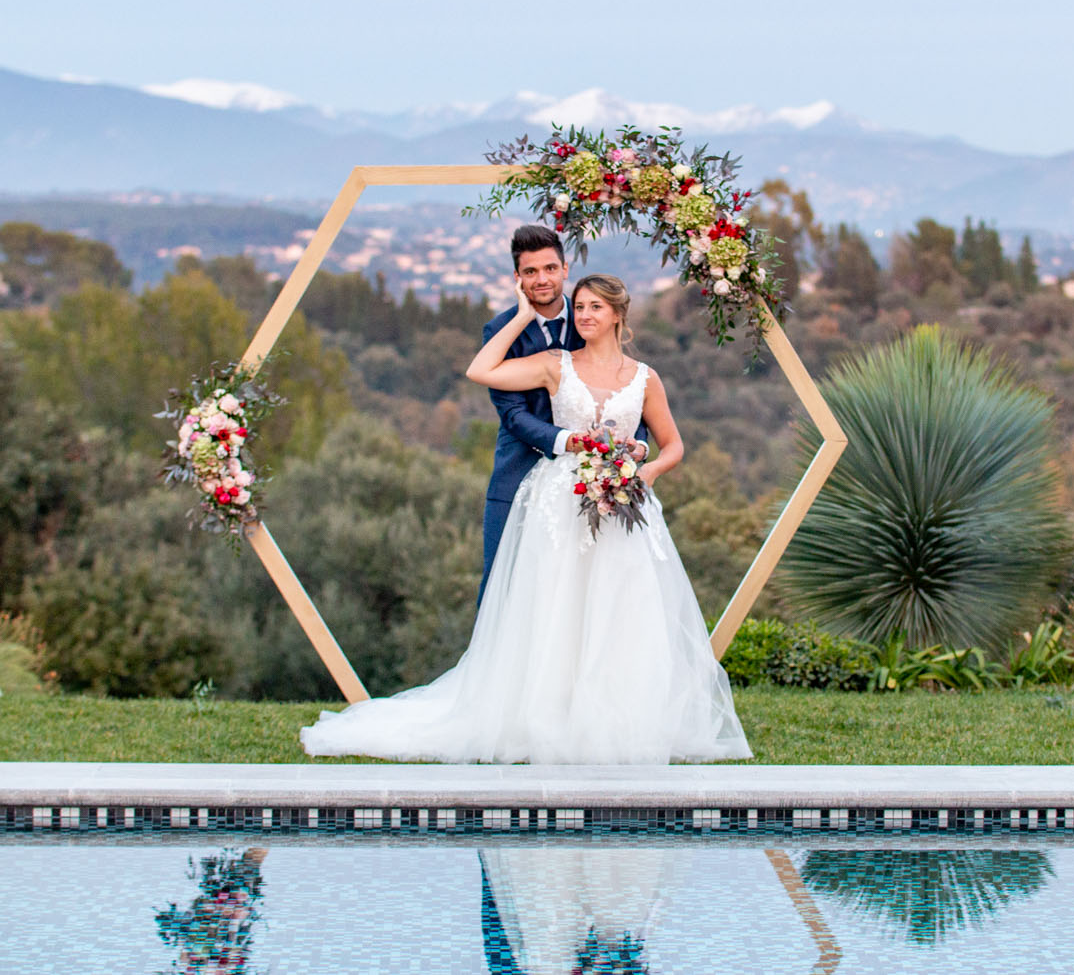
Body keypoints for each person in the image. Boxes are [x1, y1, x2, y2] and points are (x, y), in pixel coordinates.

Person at [299, 270, 750, 764]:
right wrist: (521, 316)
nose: (583, 316)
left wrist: (649, 471)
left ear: (619, 314)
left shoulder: (645, 378)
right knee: (554, 607)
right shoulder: (556, 365)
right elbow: (481, 370)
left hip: (623, 503)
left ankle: (616, 722)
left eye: (595, 307)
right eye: (578, 307)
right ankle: (546, 719)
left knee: (621, 608)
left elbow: (675, 444)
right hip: (560, 501)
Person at [475, 225, 646, 601]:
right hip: (518, 473)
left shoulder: (591, 317)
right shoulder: (500, 330)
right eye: (531, 272)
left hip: (594, 483)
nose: (542, 279)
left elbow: (631, 393)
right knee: (500, 592)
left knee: (587, 592)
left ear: (565, 269)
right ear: (517, 278)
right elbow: (513, 416)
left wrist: (635, 450)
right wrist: (572, 442)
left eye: (550, 268)